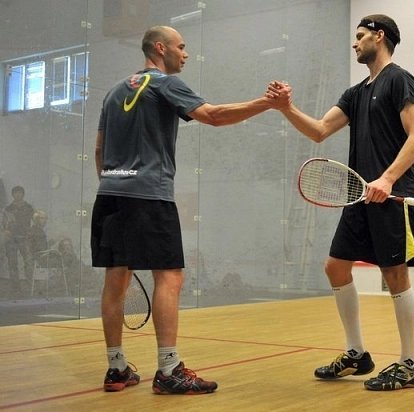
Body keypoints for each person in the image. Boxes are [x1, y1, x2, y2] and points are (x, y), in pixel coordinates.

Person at [92, 25, 290, 394]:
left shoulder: (113, 91)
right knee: (169, 276)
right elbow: (213, 115)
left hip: (110, 195)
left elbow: (100, 151)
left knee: (114, 279)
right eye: (181, 47)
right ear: (160, 48)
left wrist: (114, 182)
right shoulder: (165, 84)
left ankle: (116, 368)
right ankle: (169, 370)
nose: (185, 54)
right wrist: (268, 103)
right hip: (149, 195)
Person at [268, 14, 414, 391]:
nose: (354, 43)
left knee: (395, 275)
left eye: (360, 36)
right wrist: (285, 108)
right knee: (335, 267)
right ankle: (356, 354)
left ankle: (410, 364)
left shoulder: (400, 80)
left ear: (380, 36)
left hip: (394, 193)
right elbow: (320, 130)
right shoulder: (355, 93)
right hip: (359, 195)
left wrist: (387, 178)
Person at [2, 186, 35, 294]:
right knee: (12, 263)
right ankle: (16, 288)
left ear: (23, 194)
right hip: (11, 240)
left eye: (20, 192)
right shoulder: (8, 209)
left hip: (24, 239)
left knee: (28, 262)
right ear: (12, 195)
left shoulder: (29, 207)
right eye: (15, 193)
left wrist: (30, 233)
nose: (18, 194)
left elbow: (34, 221)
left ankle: (31, 286)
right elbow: (4, 224)